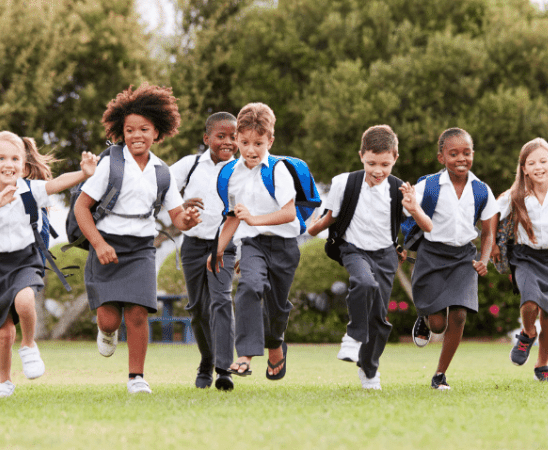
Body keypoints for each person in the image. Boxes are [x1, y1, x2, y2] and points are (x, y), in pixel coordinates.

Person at [74, 83, 201, 394]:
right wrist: (100, 244)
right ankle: (106, 333)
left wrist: (188, 219)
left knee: (138, 312)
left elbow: (176, 218)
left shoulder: (162, 172)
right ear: (122, 132)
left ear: (157, 132)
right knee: (108, 320)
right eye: (130, 130)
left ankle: (136, 378)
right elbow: (81, 206)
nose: (136, 135)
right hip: (107, 245)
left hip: (142, 248)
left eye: (144, 129)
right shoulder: (111, 164)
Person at [0, 131, 99, 398]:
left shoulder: (30, 189)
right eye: (1, 158)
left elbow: (56, 184)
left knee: (24, 302)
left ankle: (30, 344)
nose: (8, 164)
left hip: (24, 258)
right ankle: (4, 381)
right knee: (3, 332)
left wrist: (83, 174)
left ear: (23, 164)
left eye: (14, 158)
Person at [307, 124, 406, 390]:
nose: (377, 170)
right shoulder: (343, 183)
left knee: (380, 319)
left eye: (385, 164)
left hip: (385, 255)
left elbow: (409, 224)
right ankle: (352, 336)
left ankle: (369, 367)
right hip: (353, 250)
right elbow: (331, 217)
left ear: (395, 157)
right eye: (371, 162)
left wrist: (406, 246)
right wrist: (312, 228)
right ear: (361, 155)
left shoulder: (399, 189)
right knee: (364, 283)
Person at [207, 102, 299, 381]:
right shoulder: (231, 174)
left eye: (258, 143)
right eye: (244, 142)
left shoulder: (278, 170)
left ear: (270, 141)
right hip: (253, 245)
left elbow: (289, 212)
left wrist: (254, 219)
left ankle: (275, 346)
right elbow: (233, 216)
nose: (251, 150)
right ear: (236, 139)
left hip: (284, 246)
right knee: (249, 287)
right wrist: (218, 248)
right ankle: (245, 357)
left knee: (277, 309)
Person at [401, 127, 498, 390]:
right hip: (431, 255)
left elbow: (489, 233)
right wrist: (409, 207)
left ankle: (440, 374)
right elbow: (406, 214)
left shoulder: (481, 190)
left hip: (463, 258)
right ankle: (424, 317)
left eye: (466, 153)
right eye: (453, 153)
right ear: (441, 157)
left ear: (473, 154)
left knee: (458, 316)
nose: (461, 158)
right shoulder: (429, 186)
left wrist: (485, 259)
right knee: (438, 324)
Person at [491, 138, 548, 382]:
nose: (538, 166)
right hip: (525, 256)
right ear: (524, 168)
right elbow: (493, 214)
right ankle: (528, 333)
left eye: (543, 161)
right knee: (529, 304)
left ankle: (543, 365)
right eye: (531, 163)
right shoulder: (515, 195)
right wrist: (494, 243)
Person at [170, 112, 238, 391]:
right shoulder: (190, 164)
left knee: (221, 301)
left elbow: (244, 214)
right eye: (221, 136)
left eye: (233, 137)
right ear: (206, 138)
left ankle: (224, 369)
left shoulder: (242, 170)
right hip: (193, 245)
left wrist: (238, 251)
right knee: (198, 310)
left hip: (225, 244)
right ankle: (206, 361)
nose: (228, 142)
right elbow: (163, 189)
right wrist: (181, 203)